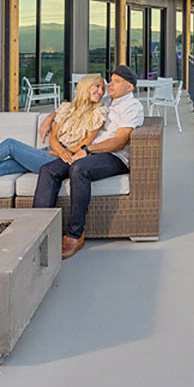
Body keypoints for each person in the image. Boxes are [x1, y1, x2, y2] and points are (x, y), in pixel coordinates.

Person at [34, 64, 144, 259]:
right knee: (48, 169)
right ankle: (37, 232)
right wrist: (50, 117)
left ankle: (75, 235)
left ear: (130, 87)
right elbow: (77, 104)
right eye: (111, 80)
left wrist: (86, 150)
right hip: (90, 153)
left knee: (79, 169)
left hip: (114, 157)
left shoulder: (132, 107)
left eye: (116, 81)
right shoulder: (109, 100)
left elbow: (120, 141)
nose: (110, 84)